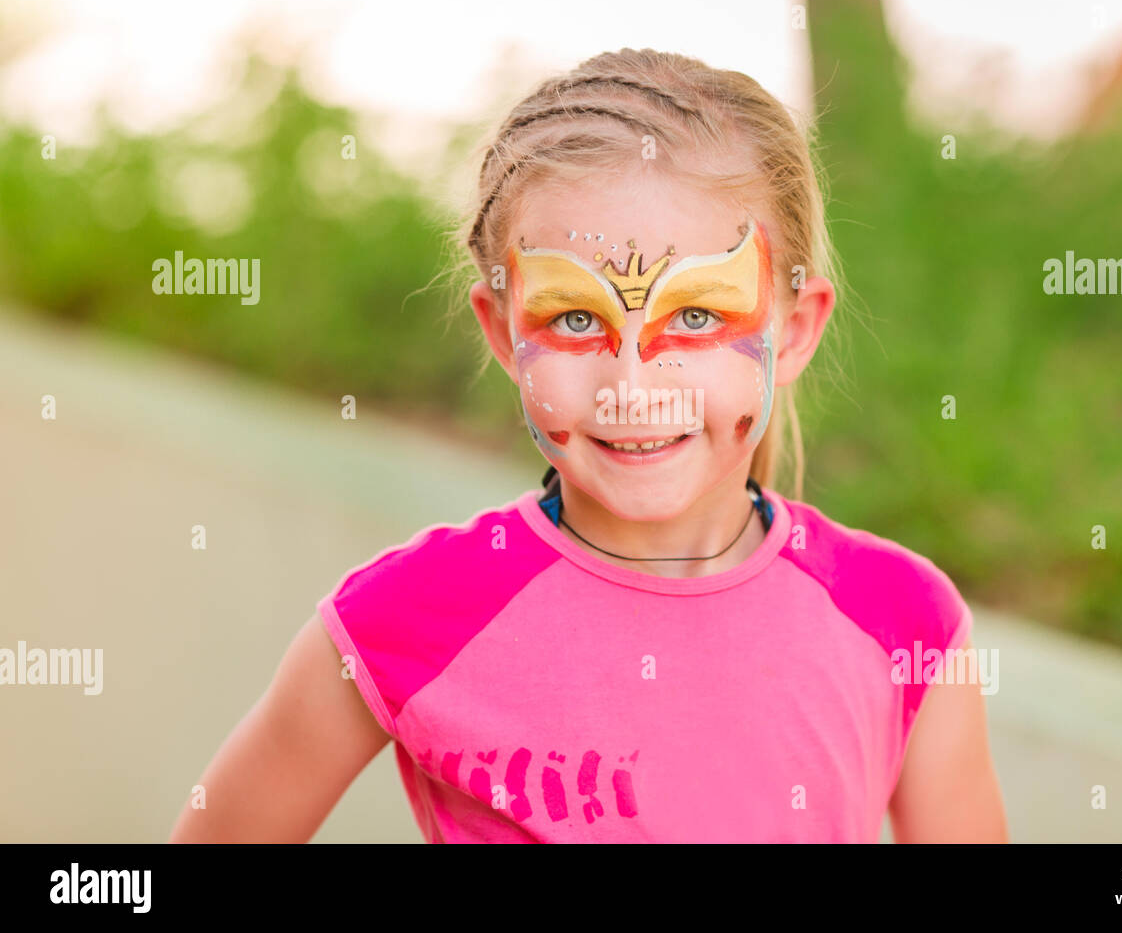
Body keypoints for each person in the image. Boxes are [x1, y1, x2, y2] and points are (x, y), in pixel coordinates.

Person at [169, 48, 1007, 843]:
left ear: (792, 332)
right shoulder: (412, 615)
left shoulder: (902, 620)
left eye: (699, 316)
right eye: (575, 319)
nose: (633, 389)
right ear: (501, 332)